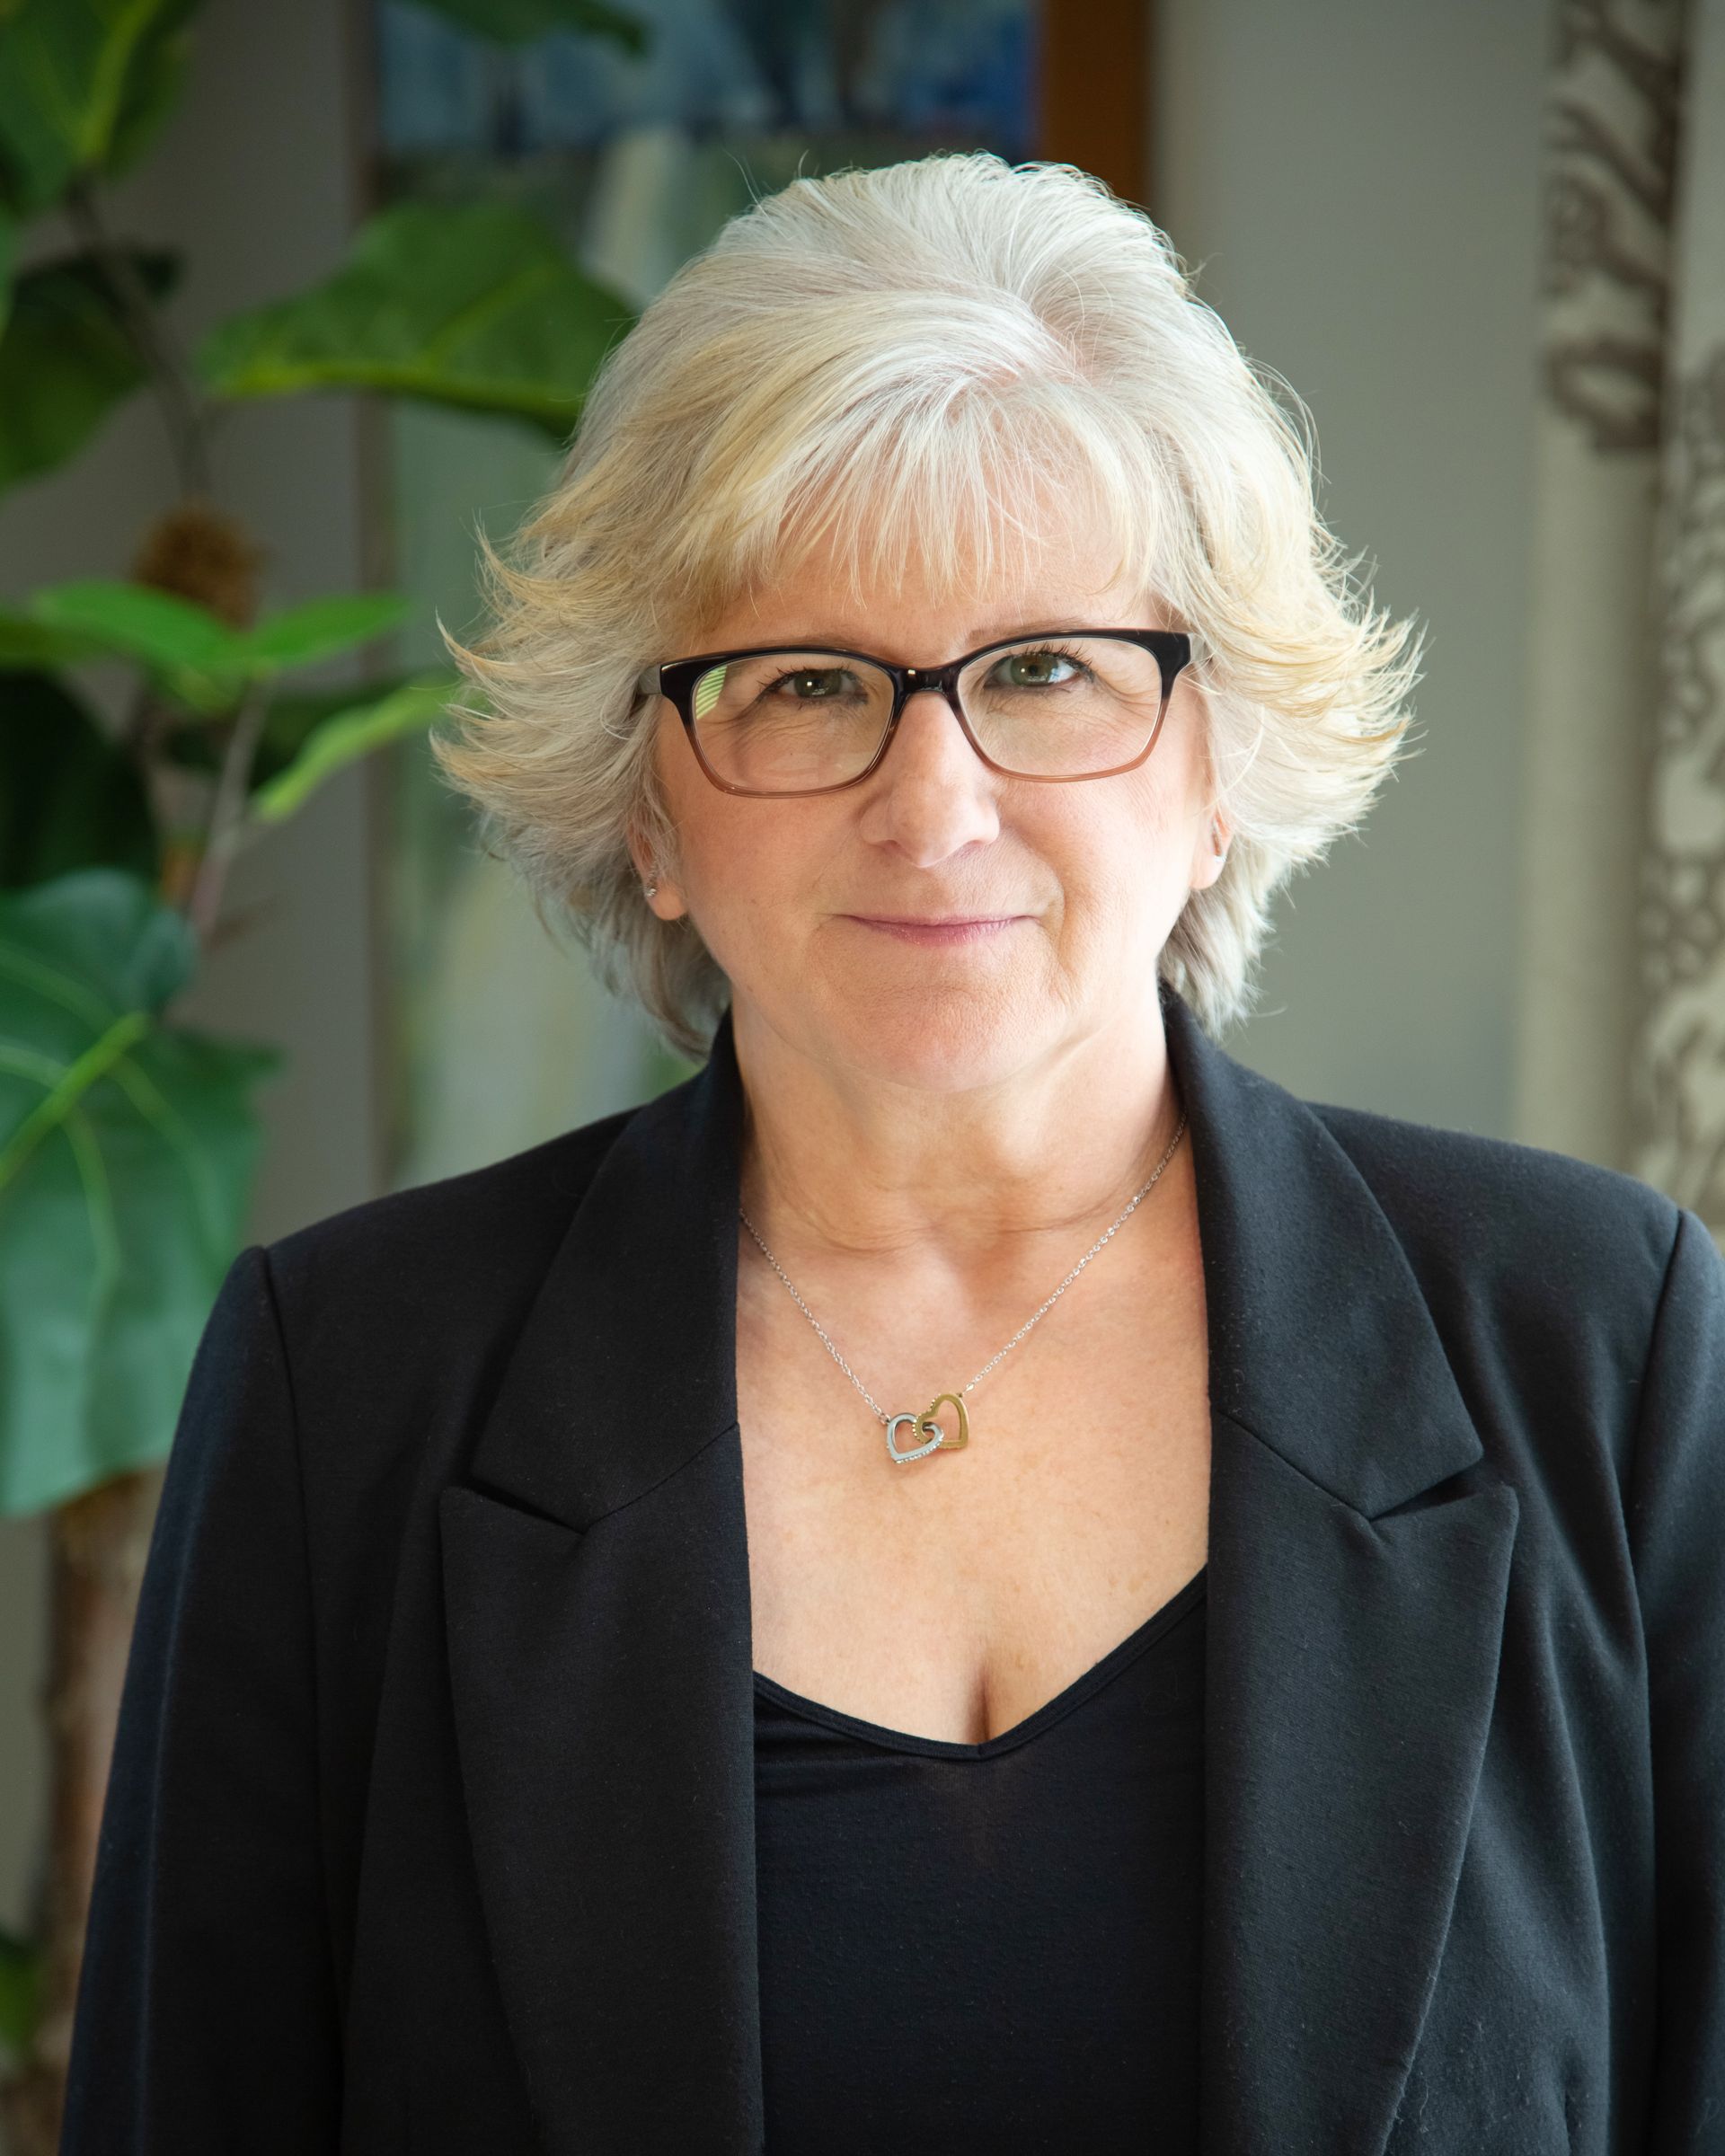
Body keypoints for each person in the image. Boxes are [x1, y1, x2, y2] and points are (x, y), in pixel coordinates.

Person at [60, 152, 1723, 2155]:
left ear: (1214, 769)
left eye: (1044, 671)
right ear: (651, 815)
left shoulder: (1599, 1344)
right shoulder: (352, 1391)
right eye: (808, 686)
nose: (934, 807)